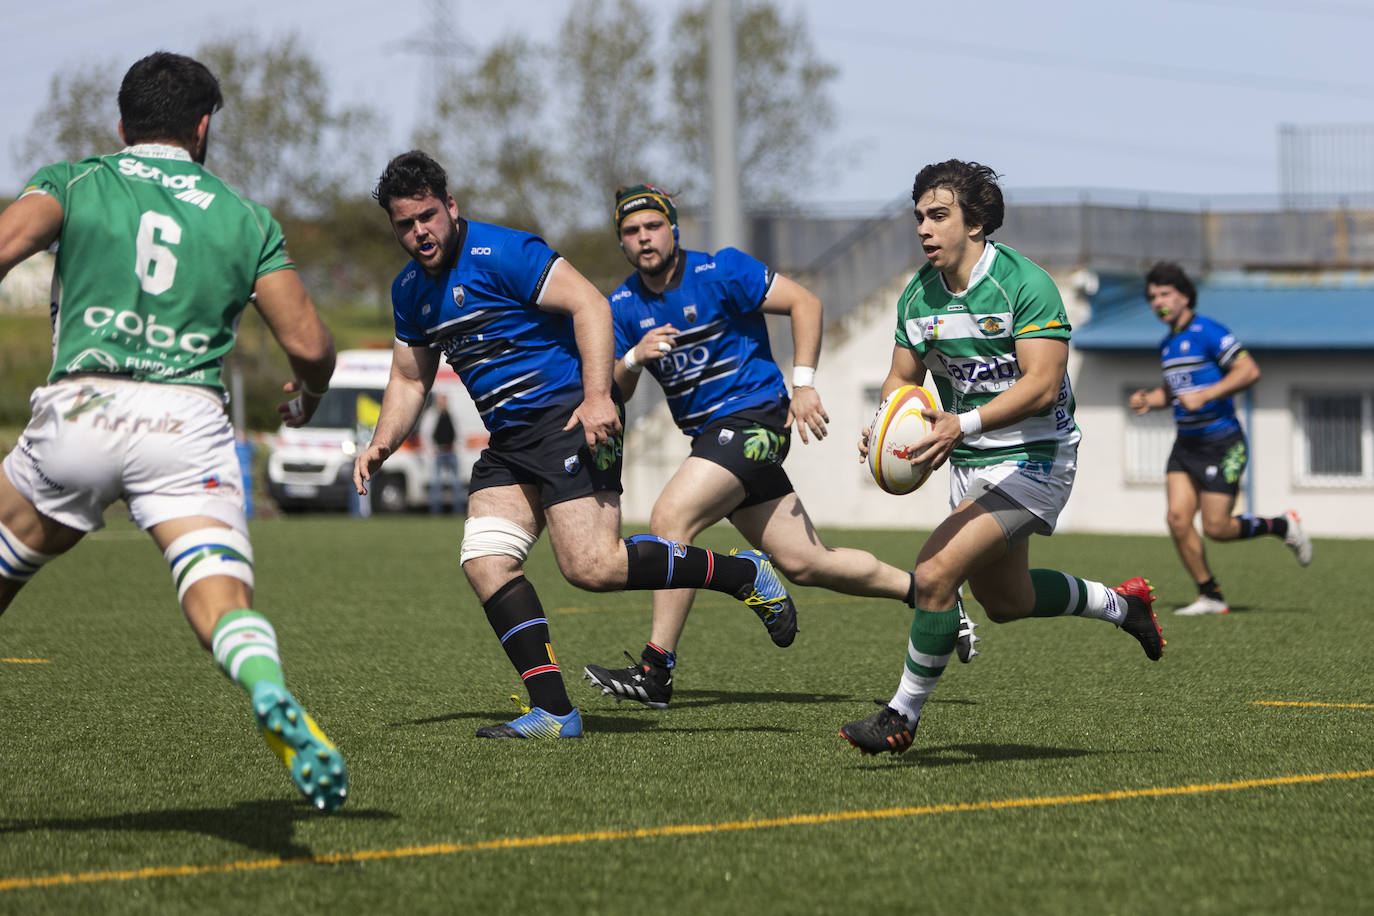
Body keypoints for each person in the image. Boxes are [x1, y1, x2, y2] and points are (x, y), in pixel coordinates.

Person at [0, 52, 347, 809]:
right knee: (220, 596)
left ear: (122, 125)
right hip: (185, 422)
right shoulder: (244, 217)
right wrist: (310, 394)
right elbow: (312, 347)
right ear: (203, 126)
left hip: (81, 412)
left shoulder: (76, 180)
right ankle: (265, 685)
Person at [357, 151, 797, 740]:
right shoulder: (410, 290)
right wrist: (382, 443)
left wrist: (597, 397)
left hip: (570, 417)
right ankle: (555, 712)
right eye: (405, 225)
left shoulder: (505, 252)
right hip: (511, 441)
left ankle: (741, 574)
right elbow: (410, 378)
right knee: (485, 561)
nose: (419, 233)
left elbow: (590, 304)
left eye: (427, 217)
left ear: (450, 206)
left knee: (592, 567)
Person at [582, 184, 977, 710]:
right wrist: (632, 358)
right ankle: (932, 598)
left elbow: (804, 302)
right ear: (622, 244)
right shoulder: (624, 305)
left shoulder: (720, 270)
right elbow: (618, 391)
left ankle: (657, 671)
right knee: (809, 562)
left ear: (672, 229)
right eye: (630, 232)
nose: (643, 238)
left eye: (652, 226)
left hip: (756, 418)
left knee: (669, 520)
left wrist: (805, 383)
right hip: (711, 440)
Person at [838, 159, 1165, 757]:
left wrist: (957, 423)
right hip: (971, 460)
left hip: (1037, 459)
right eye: (918, 218)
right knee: (1007, 603)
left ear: (977, 222)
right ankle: (1124, 605)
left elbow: (1041, 385)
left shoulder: (1024, 283)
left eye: (939, 215)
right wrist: (888, 428)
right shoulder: (918, 296)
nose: (924, 229)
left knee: (935, 574)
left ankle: (900, 716)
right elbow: (900, 380)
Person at [1129, 262, 1311, 615]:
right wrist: (1152, 399)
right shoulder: (1167, 344)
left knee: (1217, 528)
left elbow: (1249, 370)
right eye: (1152, 297)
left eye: (1165, 294)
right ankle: (1209, 595)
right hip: (1185, 444)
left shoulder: (1208, 331)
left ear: (1184, 296)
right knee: (1177, 520)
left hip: (1222, 442)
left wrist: (1208, 395)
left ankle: (1281, 524)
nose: (1158, 302)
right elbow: (1176, 389)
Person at [426, 392, 461, 514]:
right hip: (440, 452)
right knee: (436, 483)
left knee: (456, 483)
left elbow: (457, 432)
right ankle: (435, 510)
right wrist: (432, 449)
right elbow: (429, 433)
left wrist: (457, 446)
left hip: (451, 451)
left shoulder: (451, 415)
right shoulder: (433, 416)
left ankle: (458, 510)